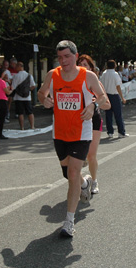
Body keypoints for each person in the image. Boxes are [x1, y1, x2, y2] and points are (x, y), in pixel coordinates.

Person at [38, 40, 108, 237]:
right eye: (60, 57)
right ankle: (85, 184)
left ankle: (69, 221)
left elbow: (102, 97)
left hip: (81, 132)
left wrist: (93, 105)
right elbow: (41, 93)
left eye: (67, 56)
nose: (64, 61)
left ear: (76, 56)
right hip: (60, 132)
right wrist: (44, 99)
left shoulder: (88, 76)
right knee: (68, 173)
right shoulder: (53, 75)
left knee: (73, 173)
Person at [77, 54, 111, 195]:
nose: (83, 67)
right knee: (76, 156)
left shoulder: (96, 82)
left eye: (85, 65)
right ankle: (80, 183)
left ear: (91, 68)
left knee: (91, 155)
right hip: (77, 121)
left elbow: (107, 105)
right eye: (80, 64)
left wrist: (95, 102)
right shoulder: (73, 82)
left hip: (94, 120)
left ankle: (94, 180)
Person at [100, 60, 128, 138]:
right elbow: (118, 86)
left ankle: (110, 132)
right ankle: (121, 132)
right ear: (114, 65)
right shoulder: (115, 74)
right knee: (118, 114)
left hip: (106, 95)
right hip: (114, 95)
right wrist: (122, 97)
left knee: (108, 114)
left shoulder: (104, 74)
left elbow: (101, 85)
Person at [10, 62, 36, 130]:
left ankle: (22, 127)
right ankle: (32, 126)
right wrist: (27, 90)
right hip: (27, 97)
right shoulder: (29, 75)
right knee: (30, 112)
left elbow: (13, 87)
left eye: (16, 66)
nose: (15, 68)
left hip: (18, 97)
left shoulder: (16, 76)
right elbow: (33, 86)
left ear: (19, 66)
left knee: (20, 113)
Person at [0, 67, 11, 139]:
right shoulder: (2, 82)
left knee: (0, 117)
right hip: (2, 100)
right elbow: (7, 92)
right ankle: (0, 134)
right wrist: (10, 90)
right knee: (2, 118)